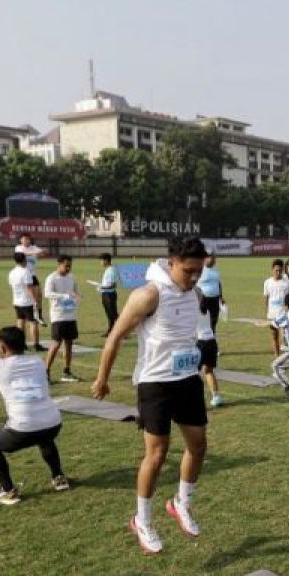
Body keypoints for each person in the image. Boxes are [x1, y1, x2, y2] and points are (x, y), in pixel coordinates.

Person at [93, 236, 210, 554]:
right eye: (188, 271)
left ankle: (180, 503)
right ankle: (142, 520)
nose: (194, 277)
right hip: (155, 384)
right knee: (157, 455)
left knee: (198, 446)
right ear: (171, 263)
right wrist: (102, 379)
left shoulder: (194, 292)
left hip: (187, 379)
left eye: (199, 271)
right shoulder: (148, 295)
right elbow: (115, 337)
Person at [0, 326, 69, 505]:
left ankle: (8, 491)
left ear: (3, 347)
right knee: (44, 438)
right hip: (53, 423)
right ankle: (59, 478)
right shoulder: (38, 361)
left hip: (23, 428)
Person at [43, 255, 81, 383]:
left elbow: (75, 292)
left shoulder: (72, 277)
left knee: (69, 343)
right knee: (56, 343)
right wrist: (63, 296)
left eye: (70, 265)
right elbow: (47, 293)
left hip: (70, 315)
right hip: (58, 315)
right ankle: (46, 371)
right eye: (66, 266)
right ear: (59, 264)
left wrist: (77, 297)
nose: (68, 268)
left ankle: (67, 371)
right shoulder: (52, 278)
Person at [195, 289, 223, 408]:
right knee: (208, 371)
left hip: (200, 343)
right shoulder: (206, 310)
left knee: (193, 373)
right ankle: (216, 396)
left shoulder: (193, 310)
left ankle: (196, 399)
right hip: (211, 342)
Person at [8, 252, 41, 352]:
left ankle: (22, 344)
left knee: (20, 321)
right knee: (33, 323)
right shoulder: (26, 272)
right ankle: (36, 344)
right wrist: (36, 300)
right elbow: (30, 288)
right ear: (24, 260)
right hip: (27, 302)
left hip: (17, 301)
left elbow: (11, 285)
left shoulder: (12, 272)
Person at [262, 259, 289, 356]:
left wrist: (288, 312)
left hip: (283, 314)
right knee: (274, 336)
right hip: (272, 315)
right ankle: (277, 357)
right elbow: (266, 299)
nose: (278, 273)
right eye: (276, 270)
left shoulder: (286, 283)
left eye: (280, 270)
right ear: (272, 270)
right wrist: (268, 312)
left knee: (287, 337)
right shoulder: (267, 282)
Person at [14, 234, 47, 324]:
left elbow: (44, 252)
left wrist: (43, 252)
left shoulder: (34, 247)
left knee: (39, 295)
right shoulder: (18, 248)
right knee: (28, 296)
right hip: (22, 275)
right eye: (24, 239)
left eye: (28, 239)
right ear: (20, 240)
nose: (26, 241)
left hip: (32, 275)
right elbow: (22, 254)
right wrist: (35, 253)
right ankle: (27, 316)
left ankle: (39, 315)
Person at [197, 253, 224, 332]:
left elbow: (218, 283)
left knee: (214, 320)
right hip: (203, 298)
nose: (212, 260)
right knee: (202, 320)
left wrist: (221, 297)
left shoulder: (216, 270)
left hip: (215, 298)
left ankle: (212, 335)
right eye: (210, 258)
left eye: (213, 259)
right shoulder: (200, 269)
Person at [95, 253, 120, 335]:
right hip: (105, 294)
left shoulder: (111, 270)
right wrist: (101, 286)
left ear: (106, 260)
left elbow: (113, 285)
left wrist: (102, 288)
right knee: (109, 314)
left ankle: (122, 332)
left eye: (101, 260)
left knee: (114, 314)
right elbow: (107, 283)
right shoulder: (108, 269)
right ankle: (110, 331)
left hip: (110, 295)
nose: (100, 262)